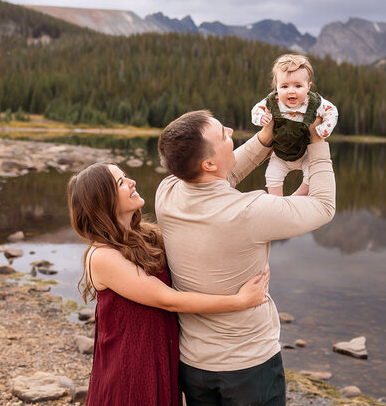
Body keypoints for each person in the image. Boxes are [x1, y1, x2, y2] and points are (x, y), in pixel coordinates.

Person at [155, 109, 336, 405]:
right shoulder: (251, 211)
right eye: (222, 134)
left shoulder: (167, 193)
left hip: (194, 365)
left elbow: (220, 177)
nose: (229, 130)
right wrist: (317, 143)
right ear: (209, 162)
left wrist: (265, 138)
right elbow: (325, 206)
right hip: (249, 368)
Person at [67, 162, 270, 406]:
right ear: (104, 202)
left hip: (160, 353)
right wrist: (239, 301)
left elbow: (208, 186)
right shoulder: (102, 256)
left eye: (126, 176)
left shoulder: (147, 236)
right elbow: (167, 299)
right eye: (121, 183)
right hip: (130, 365)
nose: (132, 182)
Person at [251, 53, 338, 196]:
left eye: (298, 86)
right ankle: (276, 200)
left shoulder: (314, 102)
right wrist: (260, 118)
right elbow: (255, 110)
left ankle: (295, 197)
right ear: (277, 87)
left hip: (305, 153)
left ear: (308, 86)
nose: (291, 91)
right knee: (272, 175)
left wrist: (325, 128)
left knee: (312, 174)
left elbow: (332, 112)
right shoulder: (273, 101)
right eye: (284, 86)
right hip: (280, 153)